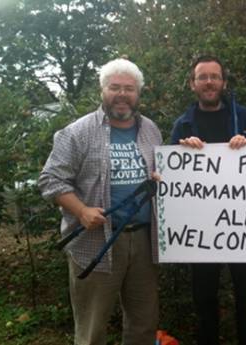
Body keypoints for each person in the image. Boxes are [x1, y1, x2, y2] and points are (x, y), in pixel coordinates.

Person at [38, 58, 161, 345]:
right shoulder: (77, 132)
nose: (122, 94)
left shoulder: (151, 130)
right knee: (92, 330)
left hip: (144, 241)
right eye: (114, 87)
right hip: (96, 241)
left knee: (144, 325)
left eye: (129, 89)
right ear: (102, 90)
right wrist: (80, 211)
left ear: (138, 93)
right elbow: (50, 180)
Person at [170, 55, 246, 345]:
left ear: (223, 82)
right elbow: (170, 176)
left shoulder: (245, 118)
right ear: (192, 84)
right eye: (202, 77)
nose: (209, 82)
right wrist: (181, 150)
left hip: (243, 226)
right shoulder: (182, 126)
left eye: (214, 76)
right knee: (204, 300)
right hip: (201, 231)